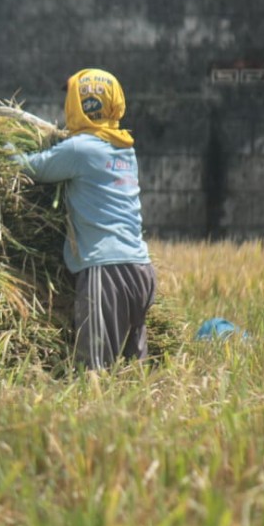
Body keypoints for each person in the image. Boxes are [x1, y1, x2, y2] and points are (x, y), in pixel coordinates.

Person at [10, 68, 156, 371]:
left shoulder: (79, 149)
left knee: (95, 370)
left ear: (78, 105)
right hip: (141, 270)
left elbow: (34, 168)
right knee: (133, 371)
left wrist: (9, 153)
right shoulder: (124, 149)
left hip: (107, 272)